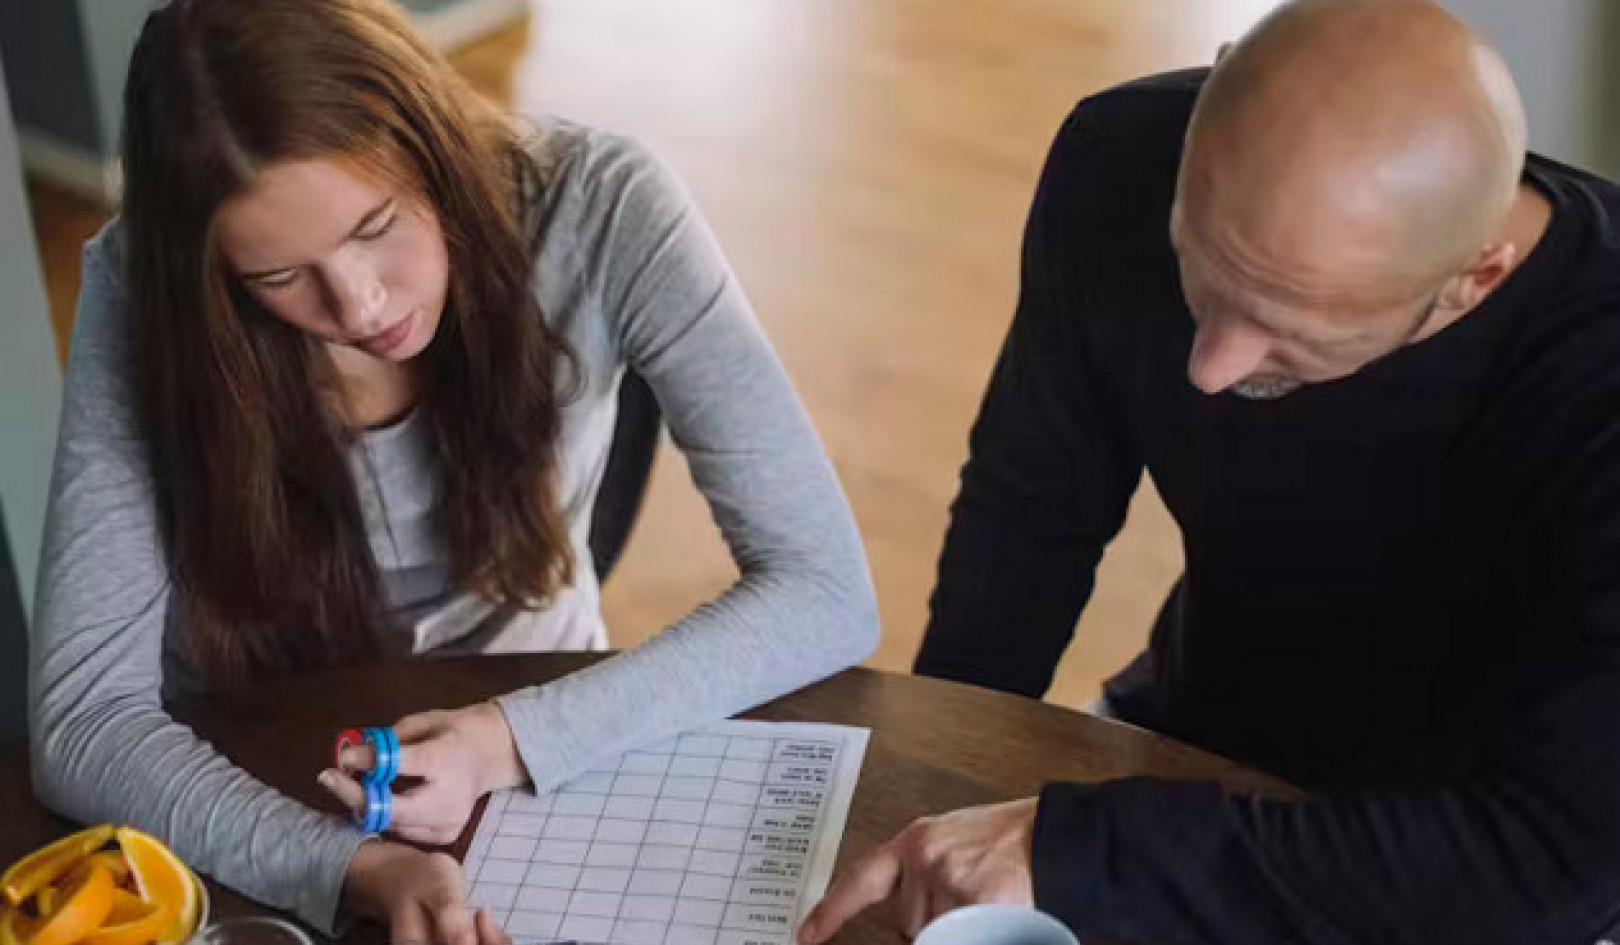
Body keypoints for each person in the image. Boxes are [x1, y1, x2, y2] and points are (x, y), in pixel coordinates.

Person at [27, 1, 879, 942]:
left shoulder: (605, 203)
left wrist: (511, 737)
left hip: (546, 733)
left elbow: (825, 591)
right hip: (243, 780)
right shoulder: (143, 288)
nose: (358, 304)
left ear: (428, 142)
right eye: (277, 279)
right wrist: (346, 863)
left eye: (377, 224)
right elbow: (82, 720)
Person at [801, 1, 1620, 943]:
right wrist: (932, 782)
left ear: (1476, 276)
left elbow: (1547, 865)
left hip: (1469, 864)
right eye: (1200, 274)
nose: (1212, 368)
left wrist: (1080, 851)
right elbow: (1029, 512)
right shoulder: (1118, 159)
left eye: (1292, 336)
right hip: (1190, 748)